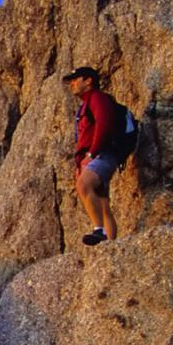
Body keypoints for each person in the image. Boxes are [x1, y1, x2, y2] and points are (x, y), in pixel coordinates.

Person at [62, 66, 120, 245]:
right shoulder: (86, 104)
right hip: (99, 154)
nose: (71, 83)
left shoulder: (96, 97)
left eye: (75, 79)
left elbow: (104, 123)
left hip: (101, 153)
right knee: (103, 204)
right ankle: (110, 244)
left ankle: (99, 231)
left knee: (84, 185)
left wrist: (91, 152)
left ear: (88, 81)